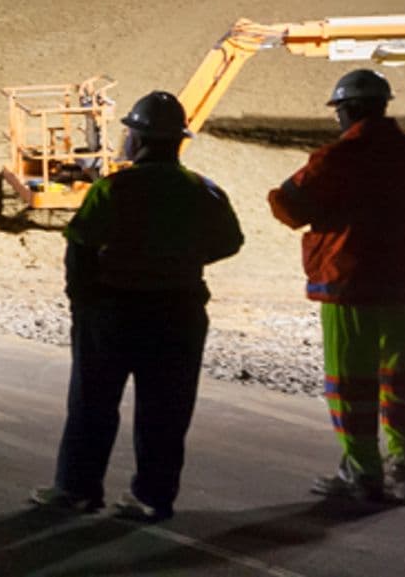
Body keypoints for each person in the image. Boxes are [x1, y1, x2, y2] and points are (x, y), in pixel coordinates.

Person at [28, 92, 245, 523]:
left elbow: (80, 247)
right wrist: (182, 258)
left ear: (140, 138)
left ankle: (77, 489)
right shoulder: (203, 190)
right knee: (166, 410)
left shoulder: (114, 189)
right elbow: (230, 242)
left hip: (113, 310)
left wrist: (83, 302)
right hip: (179, 314)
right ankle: (153, 496)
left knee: (92, 404)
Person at [268, 67, 405, 504]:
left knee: (350, 383)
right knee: (403, 379)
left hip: (350, 283)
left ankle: (362, 472)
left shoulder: (338, 157)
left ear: (347, 110)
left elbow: (287, 206)